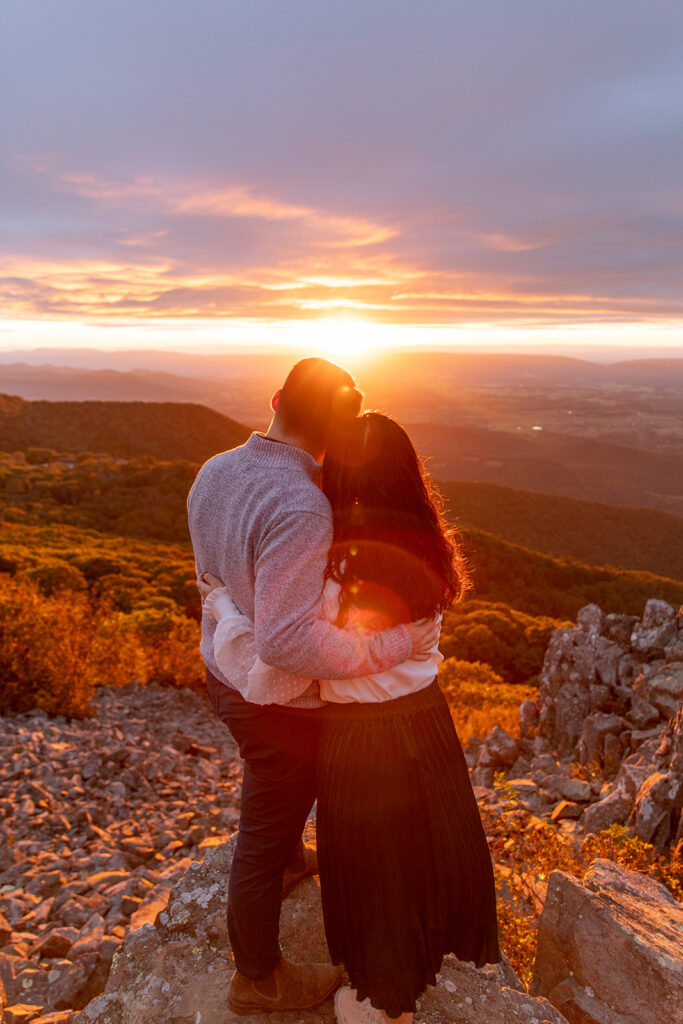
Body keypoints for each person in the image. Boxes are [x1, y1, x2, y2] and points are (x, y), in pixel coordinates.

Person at [198, 411, 500, 1024]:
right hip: (425, 718)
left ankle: (381, 1000)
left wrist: (226, 607)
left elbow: (281, 661)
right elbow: (412, 639)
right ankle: (425, 950)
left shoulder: (329, 565)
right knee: (424, 846)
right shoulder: (429, 546)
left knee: (372, 866)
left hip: (361, 733)